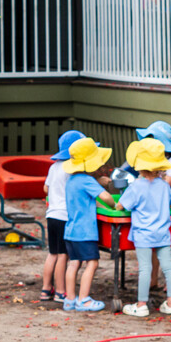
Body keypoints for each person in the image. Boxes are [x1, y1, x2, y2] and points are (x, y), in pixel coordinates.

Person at [117, 138, 171, 317]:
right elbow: (169, 204)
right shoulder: (164, 186)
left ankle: (141, 304)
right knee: (168, 267)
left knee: (145, 268)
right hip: (163, 233)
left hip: (143, 234)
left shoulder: (136, 186)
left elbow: (121, 205)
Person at [59, 135, 110, 312]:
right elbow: (105, 198)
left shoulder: (72, 180)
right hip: (85, 231)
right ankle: (84, 299)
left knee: (74, 263)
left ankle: (70, 299)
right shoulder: (87, 181)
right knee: (92, 263)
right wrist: (114, 204)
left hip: (71, 231)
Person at [39, 129, 86, 304]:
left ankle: (45, 289)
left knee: (52, 253)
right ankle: (60, 291)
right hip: (65, 216)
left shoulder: (54, 167)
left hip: (52, 215)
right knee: (63, 255)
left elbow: (46, 189)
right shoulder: (71, 169)